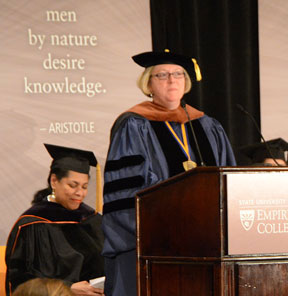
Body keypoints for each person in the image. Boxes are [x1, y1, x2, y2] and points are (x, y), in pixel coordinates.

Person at [101, 49, 236, 296]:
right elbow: (126, 191)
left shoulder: (208, 126)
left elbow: (230, 180)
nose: (172, 80)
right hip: (153, 247)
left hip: (208, 243)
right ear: (148, 84)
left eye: (178, 74)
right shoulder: (134, 125)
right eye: (162, 75)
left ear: (186, 82)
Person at [5, 144, 105, 296]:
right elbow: (21, 281)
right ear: (54, 181)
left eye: (84, 187)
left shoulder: (92, 220)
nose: (80, 193)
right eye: (73, 185)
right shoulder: (32, 224)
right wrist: (67, 288)